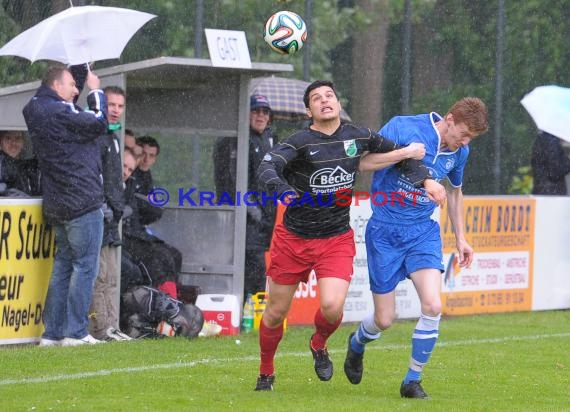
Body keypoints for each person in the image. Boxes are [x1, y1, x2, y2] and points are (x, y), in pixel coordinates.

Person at [253, 80, 445, 391]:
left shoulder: (359, 135)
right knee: (275, 313)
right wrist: (283, 190)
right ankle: (266, 372)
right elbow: (267, 166)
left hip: (335, 238)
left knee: (332, 307)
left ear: (338, 103)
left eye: (329, 95)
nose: (324, 101)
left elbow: (403, 157)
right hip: (293, 239)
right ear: (308, 110)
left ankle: (319, 343)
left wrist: (425, 179)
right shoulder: (299, 142)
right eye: (316, 98)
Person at [343, 97, 488, 399]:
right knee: (384, 320)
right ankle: (357, 343)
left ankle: (412, 380)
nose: (464, 143)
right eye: (462, 134)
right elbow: (363, 163)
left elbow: (455, 193)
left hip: (423, 232)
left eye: (470, 139)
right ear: (449, 119)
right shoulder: (403, 126)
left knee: (433, 305)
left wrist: (461, 238)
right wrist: (406, 154)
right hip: (384, 230)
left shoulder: (460, 152)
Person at [22, 64, 108, 346]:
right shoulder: (60, 111)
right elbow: (98, 122)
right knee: (85, 268)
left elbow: (73, 120)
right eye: (72, 85)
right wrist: (96, 91)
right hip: (81, 200)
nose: (75, 90)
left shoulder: (36, 108)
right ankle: (75, 332)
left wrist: (82, 70)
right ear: (57, 86)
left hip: (58, 201)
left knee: (63, 267)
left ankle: (53, 334)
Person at [213, 94, 278, 300]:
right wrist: (247, 206)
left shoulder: (270, 139)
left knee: (257, 268)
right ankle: (245, 313)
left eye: (265, 112)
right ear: (246, 113)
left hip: (266, 216)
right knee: (250, 267)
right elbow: (227, 180)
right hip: (241, 218)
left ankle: (252, 313)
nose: (260, 116)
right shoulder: (233, 138)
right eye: (255, 110)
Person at [88, 85, 132, 342]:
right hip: (99, 215)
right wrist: (103, 203)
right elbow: (93, 175)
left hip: (113, 219)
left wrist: (119, 206)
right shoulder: (96, 137)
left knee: (112, 278)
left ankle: (112, 327)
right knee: (99, 278)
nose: (115, 110)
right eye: (111, 105)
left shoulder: (114, 137)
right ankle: (99, 328)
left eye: (119, 106)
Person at [0, 130, 40, 196]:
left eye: (17, 138)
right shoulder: (1, 164)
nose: (13, 143)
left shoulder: (32, 165)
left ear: (23, 142)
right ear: (1, 142)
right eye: (8, 138)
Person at [531, 131, 570, 195]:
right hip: (551, 194)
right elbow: (555, 171)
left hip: (544, 191)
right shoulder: (551, 140)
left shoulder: (543, 138)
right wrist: (568, 160)